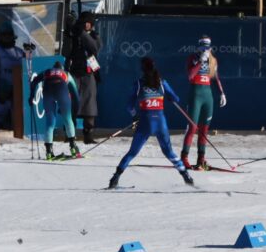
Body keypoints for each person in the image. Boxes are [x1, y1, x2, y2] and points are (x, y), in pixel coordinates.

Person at [109, 58, 194, 189]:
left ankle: (115, 179)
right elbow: (176, 98)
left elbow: (129, 106)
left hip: (145, 122)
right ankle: (186, 176)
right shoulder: (162, 82)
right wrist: (170, 97)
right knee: (169, 152)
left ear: (142, 69)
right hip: (160, 122)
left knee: (132, 152)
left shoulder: (138, 83)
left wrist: (134, 116)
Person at [180, 35, 227, 170]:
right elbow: (190, 76)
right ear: (199, 46)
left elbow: (216, 77)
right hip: (196, 94)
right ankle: (184, 158)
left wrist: (222, 93)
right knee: (192, 127)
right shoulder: (193, 58)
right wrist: (200, 62)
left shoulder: (213, 60)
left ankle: (201, 158)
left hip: (208, 96)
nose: (206, 50)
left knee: (204, 129)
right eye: (204, 47)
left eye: (208, 48)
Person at [29, 60, 81, 160]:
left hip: (48, 91)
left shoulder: (46, 72)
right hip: (62, 90)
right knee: (68, 119)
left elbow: (34, 81)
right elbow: (75, 96)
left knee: (50, 123)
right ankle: (73, 148)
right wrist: (75, 113)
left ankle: (49, 152)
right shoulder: (66, 74)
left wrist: (31, 96)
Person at [65, 11, 101, 144]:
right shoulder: (74, 34)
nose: (86, 25)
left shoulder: (94, 36)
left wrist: (81, 33)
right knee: (71, 103)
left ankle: (88, 135)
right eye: (83, 23)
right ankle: (69, 134)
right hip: (73, 72)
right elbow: (66, 47)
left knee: (89, 104)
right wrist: (71, 28)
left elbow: (94, 47)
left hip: (88, 72)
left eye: (88, 23)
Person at [0, 21, 26, 129]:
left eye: (9, 35)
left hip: (17, 95)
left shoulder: (20, 52)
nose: (7, 37)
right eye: (4, 35)